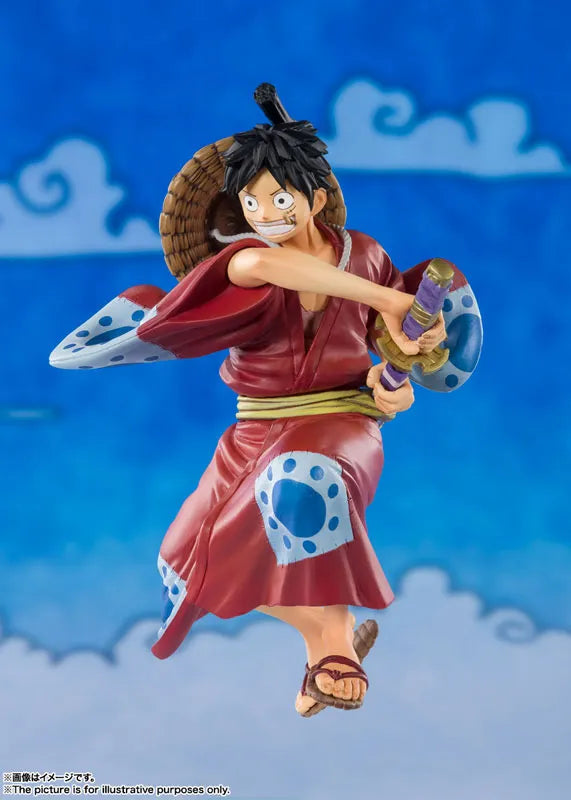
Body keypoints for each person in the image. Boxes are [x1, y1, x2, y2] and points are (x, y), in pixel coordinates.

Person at [50, 85, 447, 716]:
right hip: (253, 434)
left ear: (316, 199)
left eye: (279, 199)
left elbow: (391, 347)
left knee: (302, 484)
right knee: (185, 566)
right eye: (252, 202)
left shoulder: (369, 256)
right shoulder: (245, 261)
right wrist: (390, 299)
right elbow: (278, 270)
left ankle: (331, 650)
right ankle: (328, 637)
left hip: (339, 425)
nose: (265, 214)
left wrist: (393, 381)